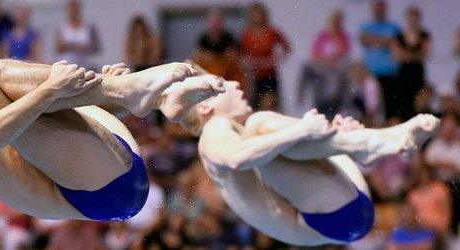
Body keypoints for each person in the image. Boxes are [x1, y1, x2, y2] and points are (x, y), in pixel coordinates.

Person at [0, 0, 224, 221]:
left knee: (19, 87)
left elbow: (58, 131)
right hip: (97, 192)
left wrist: (101, 93)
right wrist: (51, 90)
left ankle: (146, 98)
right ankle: (133, 94)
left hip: (111, 172)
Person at [179, 69, 439, 245]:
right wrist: (303, 129)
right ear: (205, 105)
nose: (235, 84)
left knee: (270, 131)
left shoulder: (233, 132)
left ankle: (358, 145)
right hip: (331, 217)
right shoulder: (213, 131)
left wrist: (326, 134)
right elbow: (237, 159)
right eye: (223, 85)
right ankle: (365, 145)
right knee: (260, 124)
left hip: (340, 209)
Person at [298, 10, 351, 118]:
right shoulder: (322, 36)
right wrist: (325, 60)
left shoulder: (344, 37)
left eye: (338, 22)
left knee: (336, 82)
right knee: (305, 67)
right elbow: (314, 54)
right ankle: (300, 95)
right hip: (322, 68)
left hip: (336, 69)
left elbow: (343, 52)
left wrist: (336, 37)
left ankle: (334, 107)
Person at [240, 2, 290, 111]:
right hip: (253, 76)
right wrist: (248, 63)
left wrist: (274, 60)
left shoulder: (272, 31)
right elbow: (240, 54)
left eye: (260, 15)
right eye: (255, 15)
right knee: (253, 107)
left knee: (269, 105)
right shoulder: (246, 34)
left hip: (269, 75)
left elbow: (287, 47)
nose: (257, 18)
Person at [359, 0, 401, 120]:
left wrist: (375, 40)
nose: (379, 11)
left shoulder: (393, 27)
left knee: (390, 109)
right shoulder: (365, 26)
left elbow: (395, 42)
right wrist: (386, 41)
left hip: (390, 72)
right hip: (370, 73)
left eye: (381, 8)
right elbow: (364, 39)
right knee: (370, 109)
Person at [391, 6, 431, 120]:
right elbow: (396, 54)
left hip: (417, 72)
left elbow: (426, 52)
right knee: (403, 101)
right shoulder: (400, 35)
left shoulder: (424, 35)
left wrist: (407, 56)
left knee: (419, 102)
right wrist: (414, 55)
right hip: (404, 72)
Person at [191, 8, 242, 85]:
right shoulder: (203, 38)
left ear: (222, 23)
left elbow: (234, 56)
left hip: (227, 73)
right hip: (209, 73)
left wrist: (216, 59)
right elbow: (198, 56)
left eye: (218, 22)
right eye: (213, 22)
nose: (215, 25)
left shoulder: (229, 37)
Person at [55, 0, 101, 68]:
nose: (73, 12)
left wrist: (83, 48)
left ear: (79, 9)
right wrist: (69, 46)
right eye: (71, 9)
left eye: (75, 9)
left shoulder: (89, 27)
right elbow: (58, 50)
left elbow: (97, 47)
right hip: (67, 66)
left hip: (86, 66)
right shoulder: (62, 28)